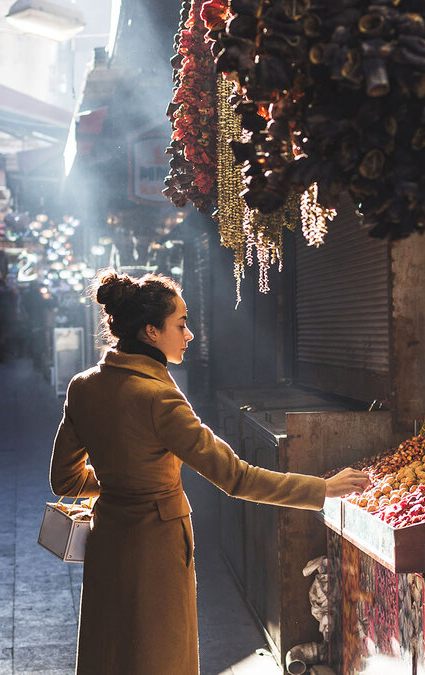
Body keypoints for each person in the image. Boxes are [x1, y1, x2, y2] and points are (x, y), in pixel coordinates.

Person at [50, 270, 369, 675]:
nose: (190, 335)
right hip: (157, 546)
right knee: (158, 655)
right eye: (181, 325)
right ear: (150, 331)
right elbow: (237, 478)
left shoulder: (83, 386)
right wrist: (321, 489)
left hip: (107, 540)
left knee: (110, 652)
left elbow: (65, 480)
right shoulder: (160, 398)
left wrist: (120, 481)